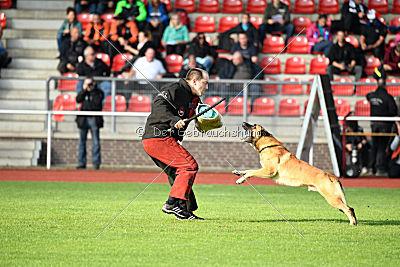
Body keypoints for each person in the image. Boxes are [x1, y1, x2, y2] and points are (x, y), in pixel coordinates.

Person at [141, 68, 209, 220]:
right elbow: (159, 105)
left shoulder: (194, 99)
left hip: (162, 139)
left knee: (177, 173)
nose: (207, 87)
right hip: (157, 137)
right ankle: (171, 204)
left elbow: (197, 114)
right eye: (205, 83)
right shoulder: (174, 89)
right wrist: (174, 120)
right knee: (189, 166)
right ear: (194, 81)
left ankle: (184, 210)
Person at [366, 66, 398, 176]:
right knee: (381, 147)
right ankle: (379, 168)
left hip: (374, 124)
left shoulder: (372, 96)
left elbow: (368, 96)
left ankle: (371, 167)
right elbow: (393, 110)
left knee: (374, 146)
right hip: (384, 125)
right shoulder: (388, 97)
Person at [75, 77, 104, 170]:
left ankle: (96, 163)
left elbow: (97, 103)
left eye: (90, 84)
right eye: (87, 84)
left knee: (95, 142)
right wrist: (84, 90)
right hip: (83, 119)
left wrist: (92, 90)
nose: (89, 86)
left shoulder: (98, 92)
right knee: (81, 142)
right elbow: (78, 99)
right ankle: (81, 162)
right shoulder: (83, 92)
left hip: (94, 119)